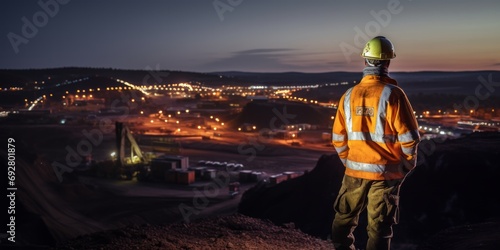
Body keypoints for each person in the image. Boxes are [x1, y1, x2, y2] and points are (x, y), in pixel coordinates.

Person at [331, 36, 420, 250]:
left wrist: (349, 161)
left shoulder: (348, 95)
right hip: (386, 174)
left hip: (353, 172)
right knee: (379, 227)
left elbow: (338, 139)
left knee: (343, 219)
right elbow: (410, 138)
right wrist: (406, 164)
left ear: (365, 61)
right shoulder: (394, 95)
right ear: (388, 62)